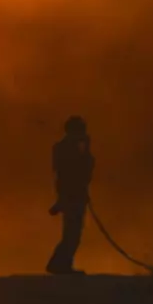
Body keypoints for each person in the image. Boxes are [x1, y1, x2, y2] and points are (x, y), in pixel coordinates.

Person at [46, 116, 94, 275]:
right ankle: (59, 264)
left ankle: (61, 263)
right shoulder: (68, 149)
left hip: (72, 194)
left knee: (72, 232)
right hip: (72, 195)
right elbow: (79, 171)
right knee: (72, 232)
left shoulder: (65, 148)